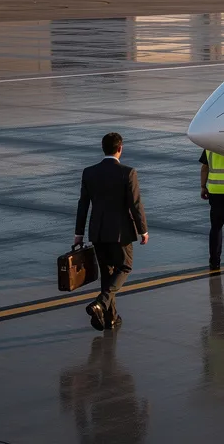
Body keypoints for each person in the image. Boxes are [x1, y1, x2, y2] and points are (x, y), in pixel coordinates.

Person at [75, 132, 148, 331]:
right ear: (120, 148)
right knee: (124, 268)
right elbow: (135, 204)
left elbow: (83, 205)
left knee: (107, 274)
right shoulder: (128, 172)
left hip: (97, 232)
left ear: (103, 148)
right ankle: (100, 303)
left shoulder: (89, 172)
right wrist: (143, 230)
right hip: (120, 232)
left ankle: (110, 318)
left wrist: (78, 233)